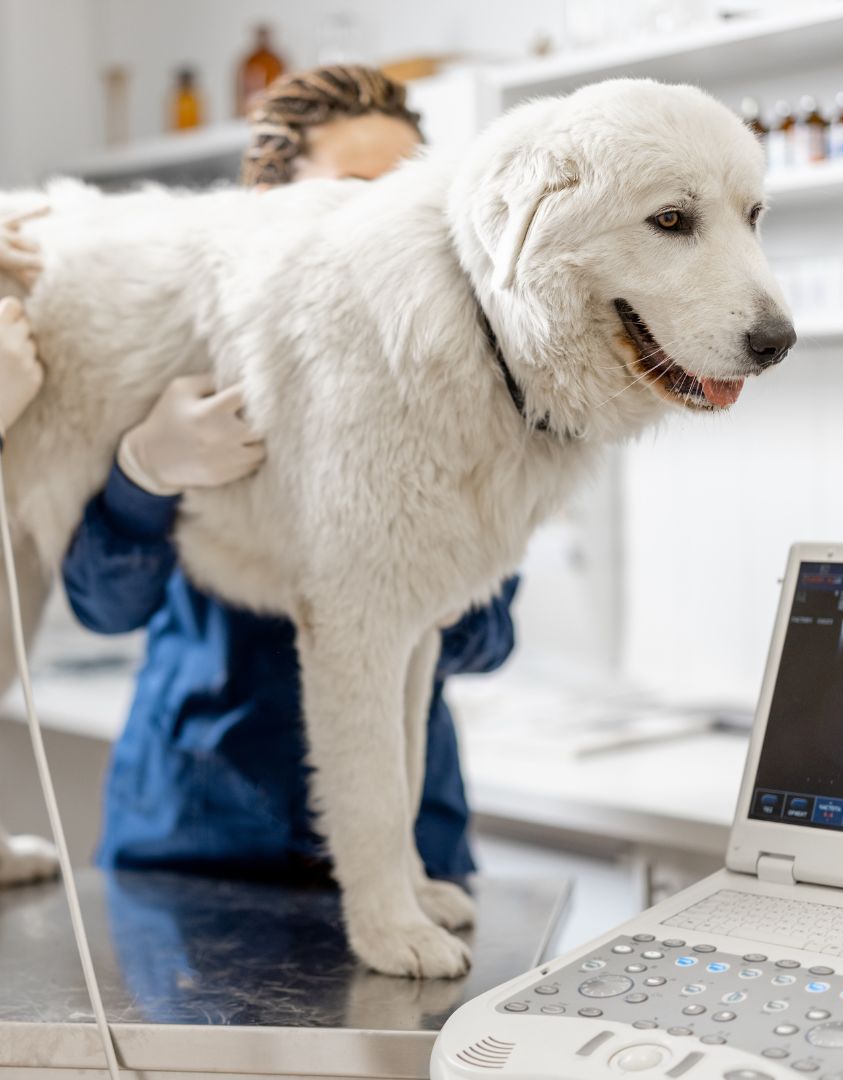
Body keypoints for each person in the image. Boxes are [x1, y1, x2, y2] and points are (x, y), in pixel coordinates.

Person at [61, 66, 518, 883]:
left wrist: (437, 597)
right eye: (354, 191)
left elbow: (490, 638)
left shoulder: (469, 387)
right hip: (199, 830)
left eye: (405, 192)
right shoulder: (171, 344)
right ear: (269, 210)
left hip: (413, 831)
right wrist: (144, 474)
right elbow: (105, 607)